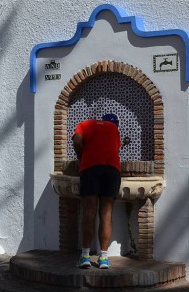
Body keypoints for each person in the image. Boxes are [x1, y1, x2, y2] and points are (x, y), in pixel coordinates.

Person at [72, 113, 121, 269]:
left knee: (89, 211)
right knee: (106, 213)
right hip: (112, 170)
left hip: (91, 168)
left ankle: (85, 256)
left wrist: (81, 156)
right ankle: (104, 258)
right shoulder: (114, 128)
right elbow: (114, 148)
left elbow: (77, 140)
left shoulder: (84, 124)